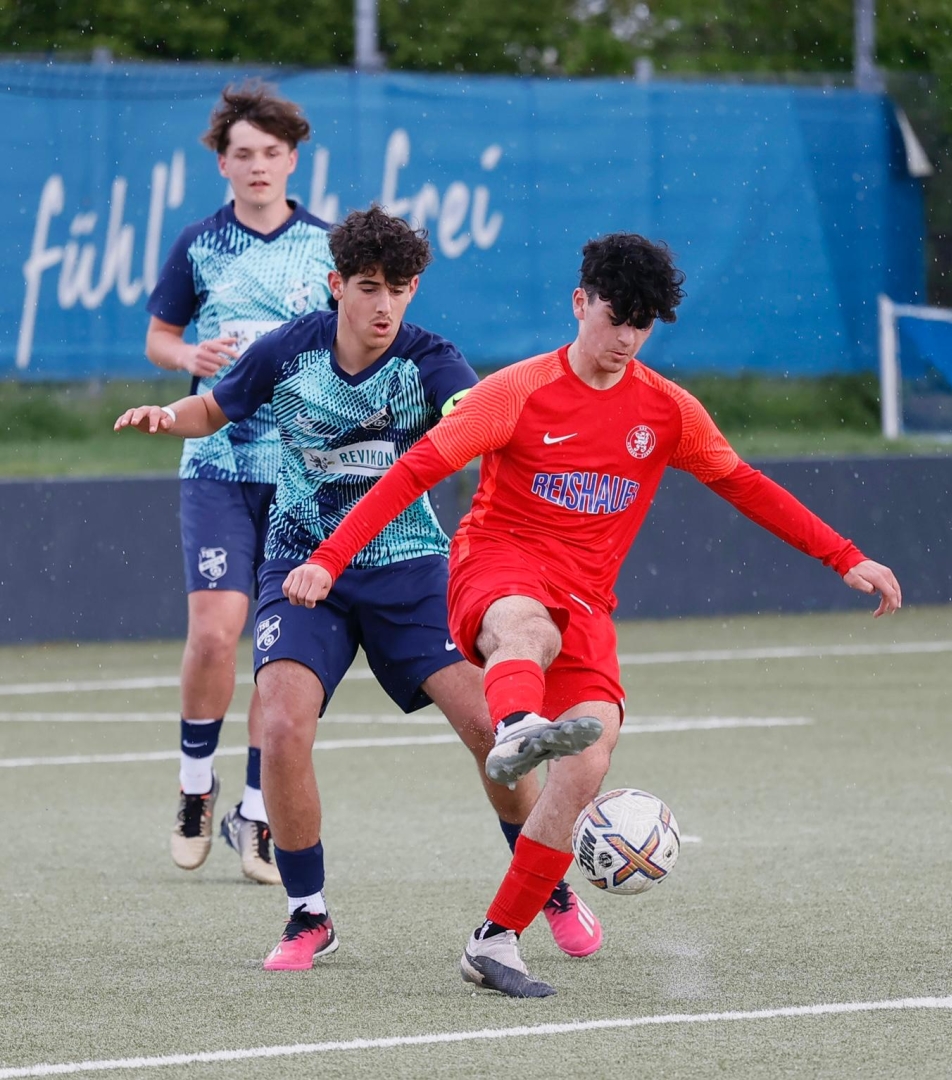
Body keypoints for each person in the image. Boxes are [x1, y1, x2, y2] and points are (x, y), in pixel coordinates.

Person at [283, 231, 904, 998]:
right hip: (496, 563)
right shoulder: (515, 392)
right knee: (526, 629)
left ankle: (495, 940)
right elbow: (413, 472)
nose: (626, 340)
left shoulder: (665, 410)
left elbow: (743, 483)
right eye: (615, 319)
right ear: (580, 304)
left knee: (586, 762)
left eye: (642, 326)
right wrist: (328, 559)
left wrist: (843, 556)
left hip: (586, 601)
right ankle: (516, 728)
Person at [115, 206, 602, 971]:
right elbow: (211, 407)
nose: (384, 305)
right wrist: (166, 414)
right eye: (369, 287)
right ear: (335, 284)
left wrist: (498, 424)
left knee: (490, 730)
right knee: (282, 725)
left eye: (399, 289)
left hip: (409, 568)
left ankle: (547, 886)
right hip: (302, 567)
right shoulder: (289, 349)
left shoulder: (429, 359)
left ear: (414, 291)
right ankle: (307, 914)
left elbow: (467, 413)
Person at [144, 81, 334, 886]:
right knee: (216, 634)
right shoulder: (199, 244)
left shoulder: (329, 248)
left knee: (275, 648)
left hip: (301, 474)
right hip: (218, 464)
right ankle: (196, 786)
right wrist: (188, 357)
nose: (257, 165)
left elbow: (350, 341)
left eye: (271, 153)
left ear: (293, 160)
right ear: (221, 163)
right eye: (242, 153)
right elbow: (159, 336)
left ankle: (255, 815)